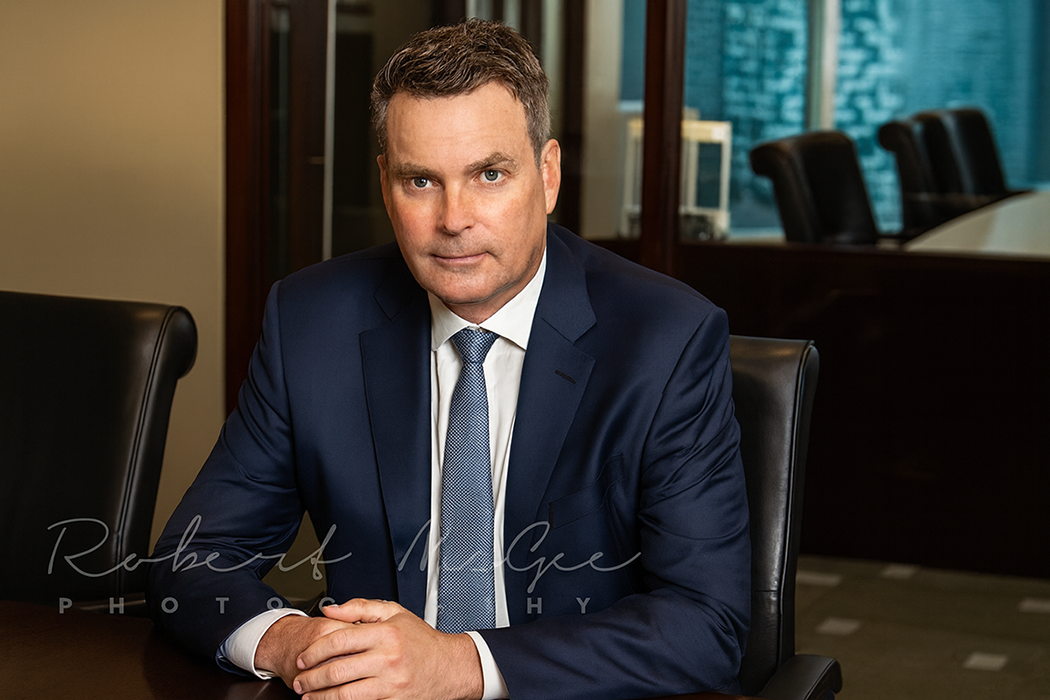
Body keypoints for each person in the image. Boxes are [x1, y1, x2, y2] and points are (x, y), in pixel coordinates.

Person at [148, 18, 750, 700]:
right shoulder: (310, 323)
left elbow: (708, 624)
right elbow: (191, 558)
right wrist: (296, 644)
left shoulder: (666, 338)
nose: (454, 218)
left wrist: (459, 665)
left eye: (489, 174)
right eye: (421, 182)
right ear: (385, 183)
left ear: (547, 176)